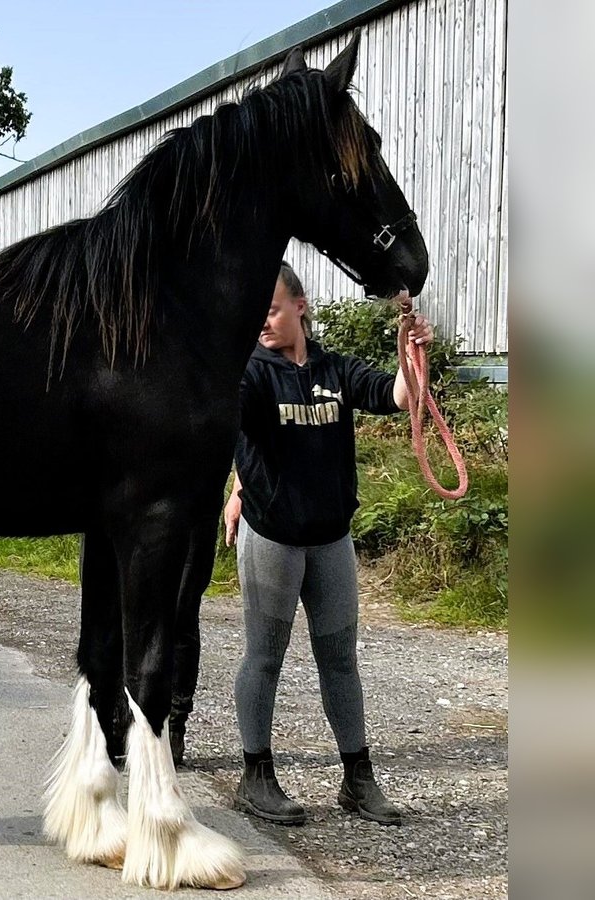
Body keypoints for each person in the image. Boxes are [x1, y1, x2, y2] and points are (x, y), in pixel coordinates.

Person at [223, 262, 433, 826]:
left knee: (340, 660)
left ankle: (358, 779)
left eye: (269, 308)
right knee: (264, 658)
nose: (262, 321)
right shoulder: (248, 375)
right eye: (256, 311)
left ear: (301, 305)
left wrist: (412, 357)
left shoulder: (335, 369)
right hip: (273, 537)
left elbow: (396, 396)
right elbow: (220, 416)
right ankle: (256, 776)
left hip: (331, 541)